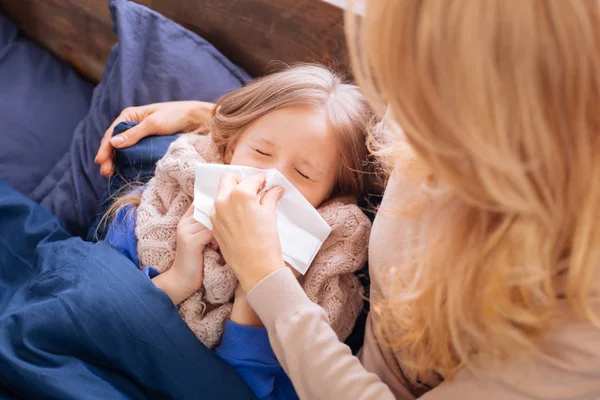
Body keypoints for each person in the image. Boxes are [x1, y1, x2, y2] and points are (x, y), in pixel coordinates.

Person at [96, 1, 600, 398]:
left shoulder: (581, 326)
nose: (415, 103)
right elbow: (330, 138)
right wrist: (210, 117)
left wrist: (264, 281)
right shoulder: (424, 111)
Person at [101, 65, 375, 400]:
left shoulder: (324, 293)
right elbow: (97, 321)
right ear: (231, 148)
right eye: (260, 152)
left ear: (329, 199)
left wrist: (252, 305)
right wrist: (178, 279)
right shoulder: (155, 214)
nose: (268, 180)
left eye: (302, 174)